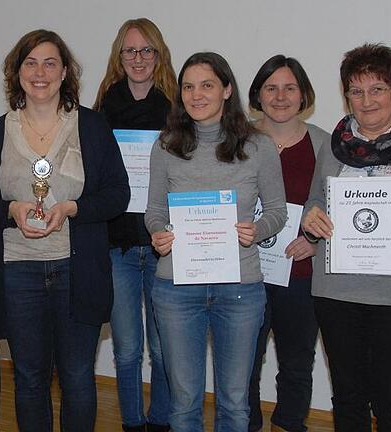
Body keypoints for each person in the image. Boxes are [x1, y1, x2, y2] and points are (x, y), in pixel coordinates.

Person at [0, 29, 130, 431]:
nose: (40, 73)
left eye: (50, 63)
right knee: (28, 378)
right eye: (30, 63)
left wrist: (74, 208)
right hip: (17, 271)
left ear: (64, 73)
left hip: (77, 271)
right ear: (17, 72)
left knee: (77, 377)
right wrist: (13, 210)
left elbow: (117, 194)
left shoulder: (91, 127)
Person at [301, 43, 391, 432]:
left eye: (377, 88)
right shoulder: (333, 148)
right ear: (346, 96)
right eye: (356, 91)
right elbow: (316, 199)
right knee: (347, 400)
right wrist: (311, 216)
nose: (366, 100)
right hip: (337, 295)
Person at [145, 52, 287, 431]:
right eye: (188, 87)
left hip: (240, 289)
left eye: (206, 85)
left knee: (236, 403)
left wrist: (256, 230)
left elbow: (278, 210)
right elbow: (154, 210)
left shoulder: (258, 146)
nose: (196, 95)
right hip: (176, 288)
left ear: (227, 89)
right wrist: (159, 233)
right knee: (184, 402)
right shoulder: (165, 146)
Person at [92, 17, 177, 432]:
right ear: (119, 57)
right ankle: (131, 422)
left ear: (158, 55)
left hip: (166, 244)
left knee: (162, 348)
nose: (138, 58)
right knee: (126, 349)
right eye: (130, 51)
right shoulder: (104, 106)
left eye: (146, 50)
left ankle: (159, 421)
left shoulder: (177, 107)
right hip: (119, 245)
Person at [245, 55, 329, 432]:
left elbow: (343, 206)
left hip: (301, 274)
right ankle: (244, 423)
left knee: (297, 363)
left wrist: (316, 242)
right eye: (271, 88)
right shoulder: (236, 140)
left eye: (289, 88)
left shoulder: (325, 145)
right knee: (243, 360)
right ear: (258, 95)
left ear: (303, 94)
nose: (280, 97)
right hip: (245, 273)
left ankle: (291, 424)